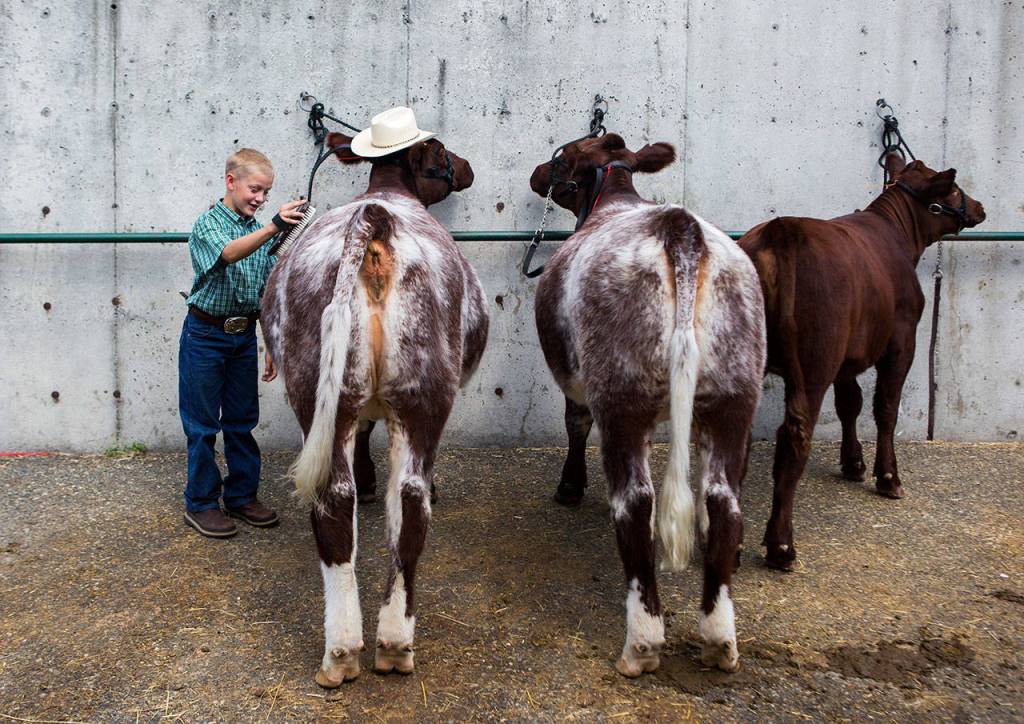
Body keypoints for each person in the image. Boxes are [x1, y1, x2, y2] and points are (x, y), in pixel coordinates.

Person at [179, 148, 304, 538]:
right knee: (202, 425)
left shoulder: (260, 231)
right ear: (231, 182)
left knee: (241, 421)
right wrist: (272, 226)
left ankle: (241, 496)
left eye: (266, 193)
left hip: (243, 337)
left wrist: (269, 341)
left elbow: (265, 291)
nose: (260, 199)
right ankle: (200, 503)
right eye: (255, 189)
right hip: (205, 336)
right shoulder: (208, 224)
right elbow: (230, 254)